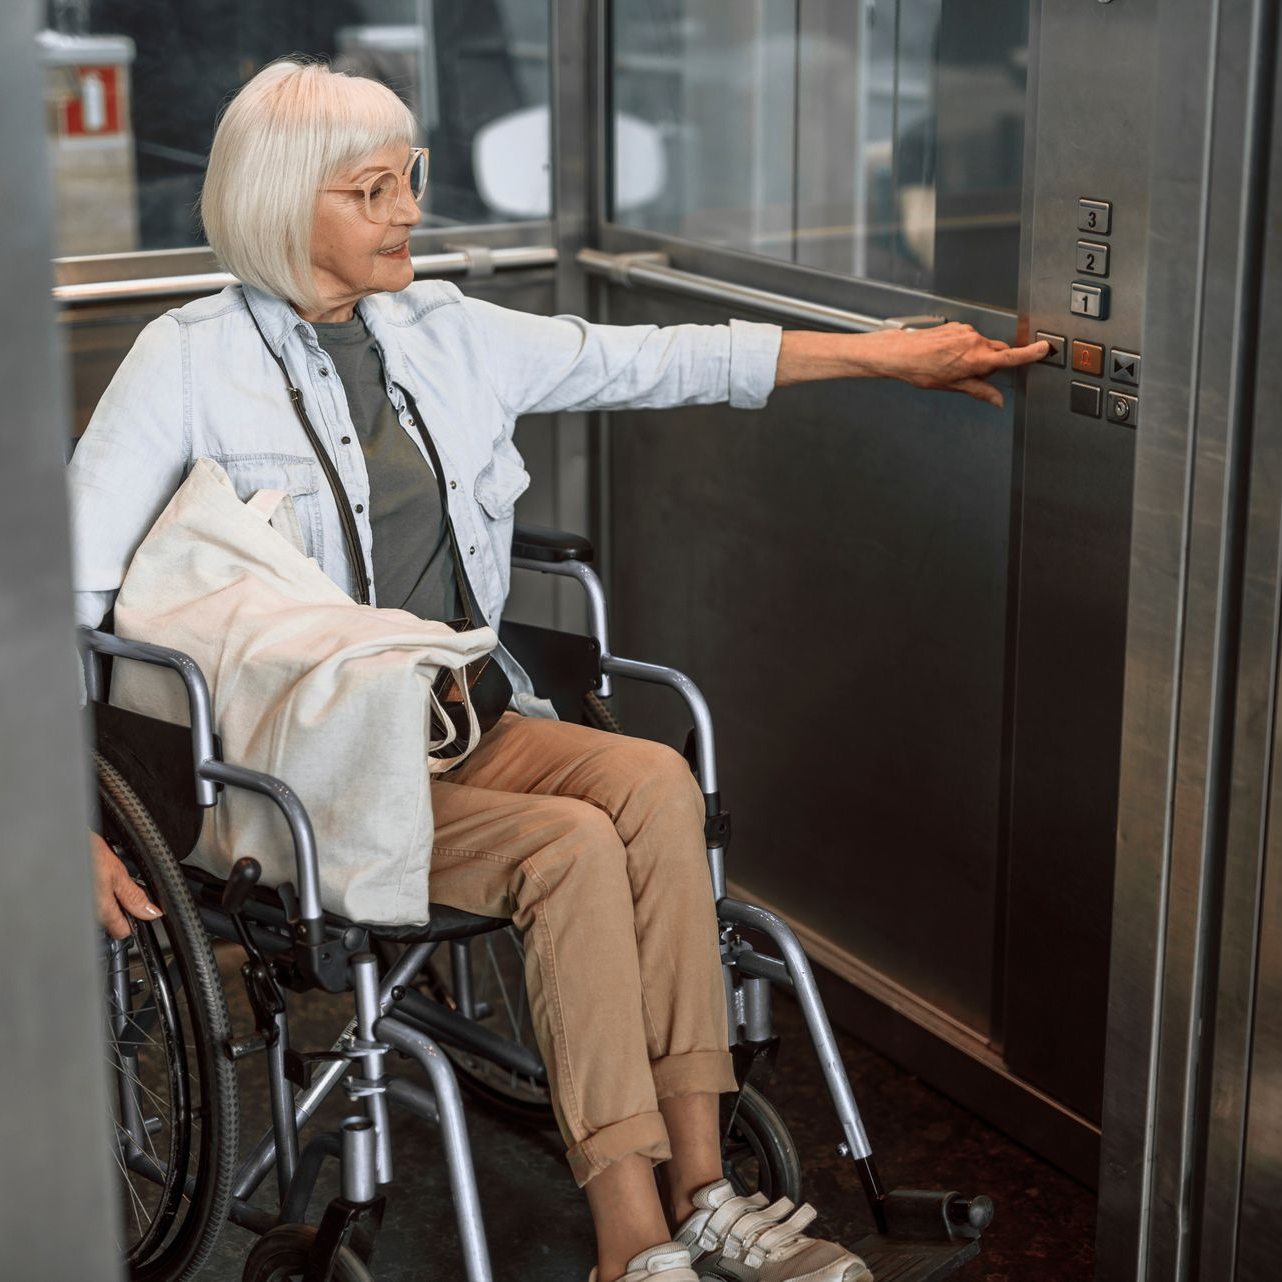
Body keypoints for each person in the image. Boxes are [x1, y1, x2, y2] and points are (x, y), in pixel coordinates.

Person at [73, 58, 1047, 1282]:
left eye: (407, 179)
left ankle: (703, 1189)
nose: (407, 211)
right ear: (281, 203)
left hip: (462, 725)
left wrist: (882, 357)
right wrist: (73, 816)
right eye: (370, 190)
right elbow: (63, 601)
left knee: (652, 784)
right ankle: (626, 1243)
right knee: (568, 848)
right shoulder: (183, 363)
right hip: (304, 779)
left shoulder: (445, 332)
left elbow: (660, 358)